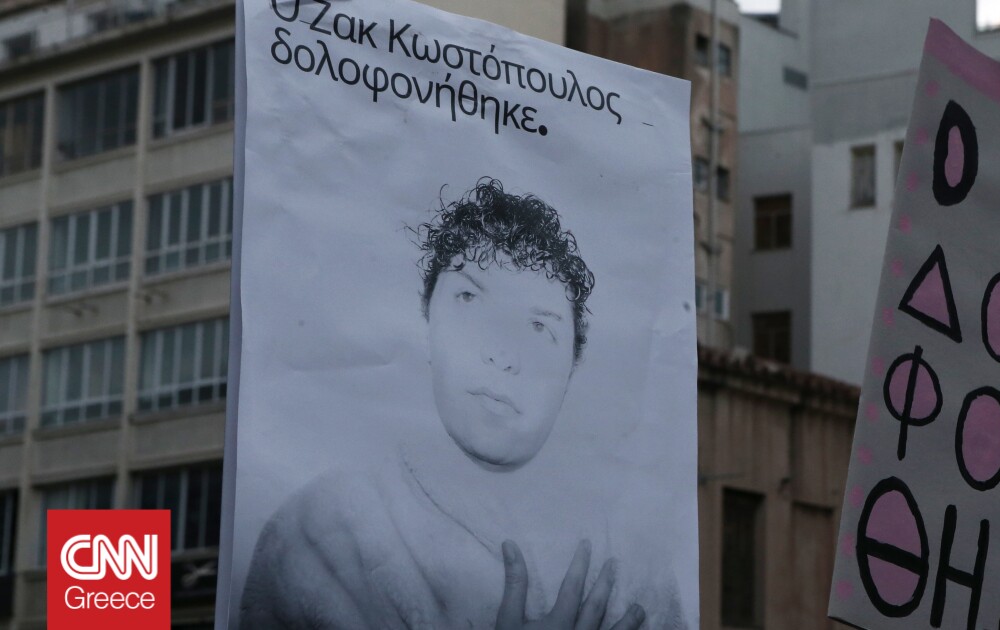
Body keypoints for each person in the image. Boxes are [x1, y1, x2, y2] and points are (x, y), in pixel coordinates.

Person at [240, 179, 683, 629]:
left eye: (539, 326)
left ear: (574, 366)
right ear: (425, 321)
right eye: (469, 298)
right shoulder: (317, 539)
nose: (501, 353)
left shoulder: (634, 565)